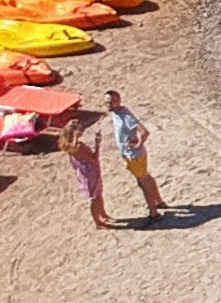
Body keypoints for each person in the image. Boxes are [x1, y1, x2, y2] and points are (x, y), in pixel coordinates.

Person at [98, 90, 161, 222]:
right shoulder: (115, 113)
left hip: (135, 156)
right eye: (106, 101)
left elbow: (144, 132)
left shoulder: (125, 115)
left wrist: (138, 144)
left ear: (118, 101)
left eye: (111, 101)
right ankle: (159, 201)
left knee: (143, 183)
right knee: (147, 178)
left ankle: (153, 211)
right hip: (131, 155)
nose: (108, 104)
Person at [60, 117, 106, 230]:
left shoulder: (70, 147)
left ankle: (102, 215)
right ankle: (98, 221)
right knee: (95, 197)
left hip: (85, 174)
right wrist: (98, 144)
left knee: (97, 196)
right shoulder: (79, 147)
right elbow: (94, 158)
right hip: (91, 174)